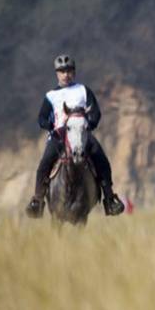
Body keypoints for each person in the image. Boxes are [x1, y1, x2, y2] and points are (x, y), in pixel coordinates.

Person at [25, 54, 125, 218]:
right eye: (62, 71)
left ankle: (109, 199)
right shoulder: (51, 96)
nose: (66, 75)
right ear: (57, 74)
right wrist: (51, 127)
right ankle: (37, 200)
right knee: (44, 163)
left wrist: (89, 125)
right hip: (59, 136)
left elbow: (95, 112)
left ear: (74, 72)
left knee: (102, 160)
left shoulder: (83, 91)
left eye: (69, 71)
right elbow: (41, 118)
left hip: (82, 134)